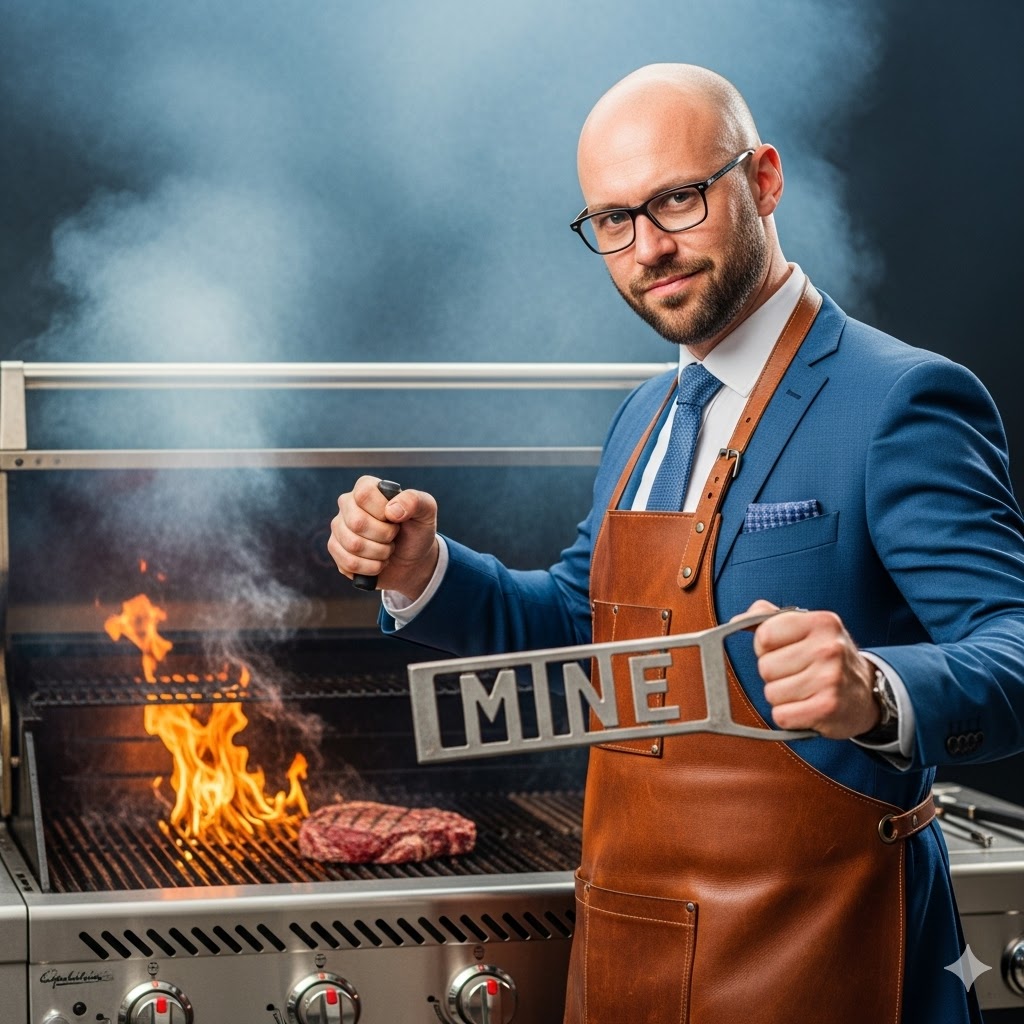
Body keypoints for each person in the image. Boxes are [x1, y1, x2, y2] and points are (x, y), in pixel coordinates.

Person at [328, 64, 1024, 1023]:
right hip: (628, 945)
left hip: (817, 952)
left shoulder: (899, 399)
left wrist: (874, 690)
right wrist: (426, 575)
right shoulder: (647, 415)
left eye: (679, 199)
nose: (648, 247)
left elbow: (1013, 646)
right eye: (613, 220)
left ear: (765, 180)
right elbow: (584, 627)